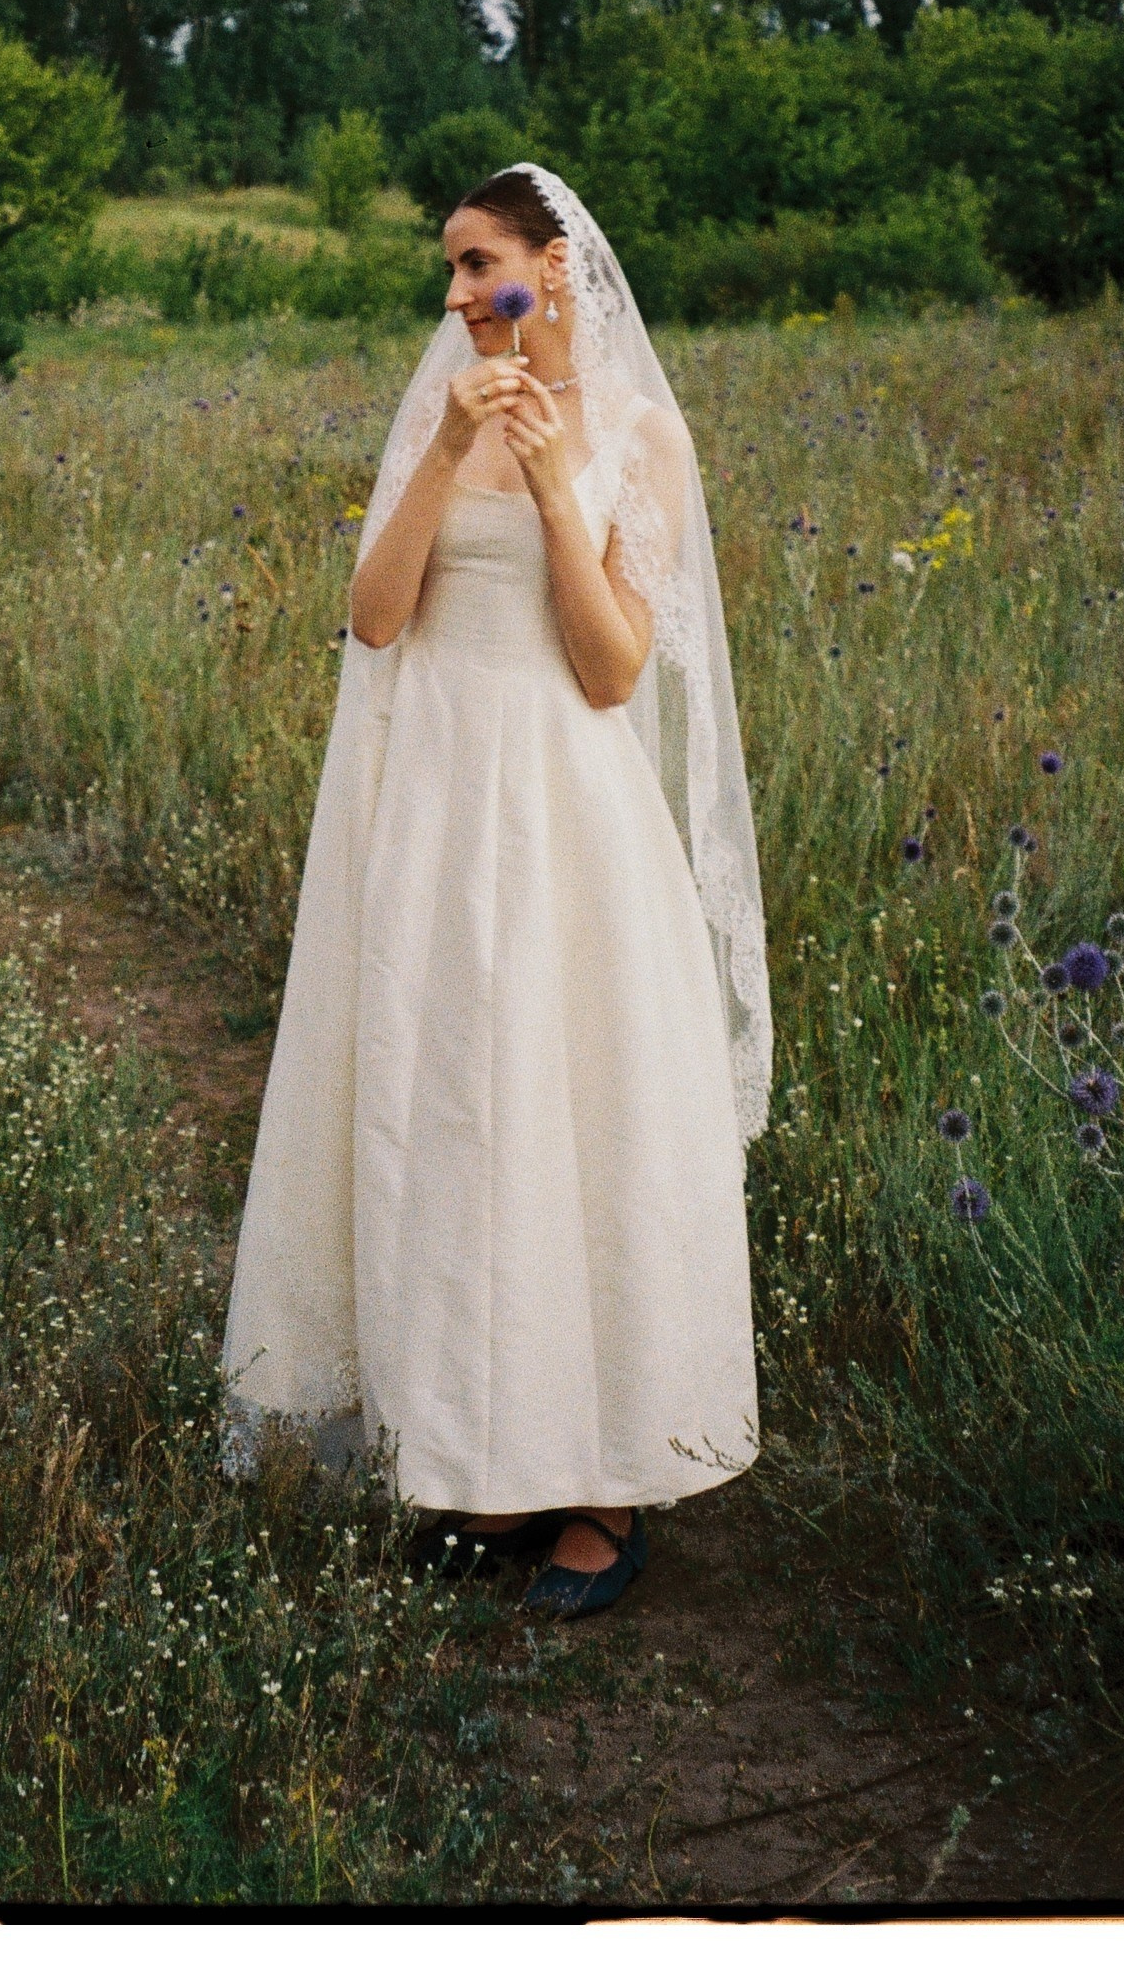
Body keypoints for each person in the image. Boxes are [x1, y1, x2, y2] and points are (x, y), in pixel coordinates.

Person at [221, 160, 769, 1618]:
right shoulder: (436, 411)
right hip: (437, 814)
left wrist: (541, 476)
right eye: (453, 273)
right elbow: (375, 614)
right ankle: (485, 1461)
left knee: (574, 1117)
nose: (459, 296)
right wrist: (442, 456)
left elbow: (607, 670)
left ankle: (605, 1485)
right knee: (455, 1118)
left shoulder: (642, 437)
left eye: (480, 267)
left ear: (555, 268)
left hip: (568, 819)